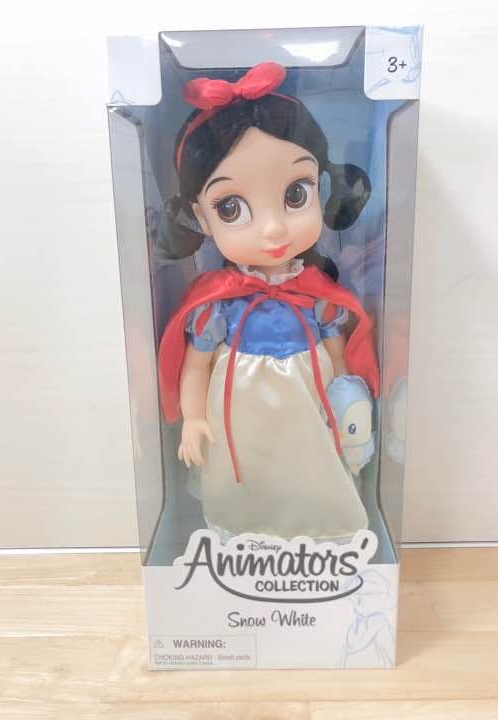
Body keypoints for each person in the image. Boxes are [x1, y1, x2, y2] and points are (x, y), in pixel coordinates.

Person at [158, 61, 379, 541]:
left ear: (321, 187)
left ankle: (319, 531)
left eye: (295, 195)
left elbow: (339, 354)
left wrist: (348, 396)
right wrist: (193, 418)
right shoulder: (218, 305)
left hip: (307, 392)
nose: (274, 229)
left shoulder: (315, 295)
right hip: (239, 401)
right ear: (201, 216)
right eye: (231, 208)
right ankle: (245, 531)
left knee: (308, 461)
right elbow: (196, 366)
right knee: (246, 467)